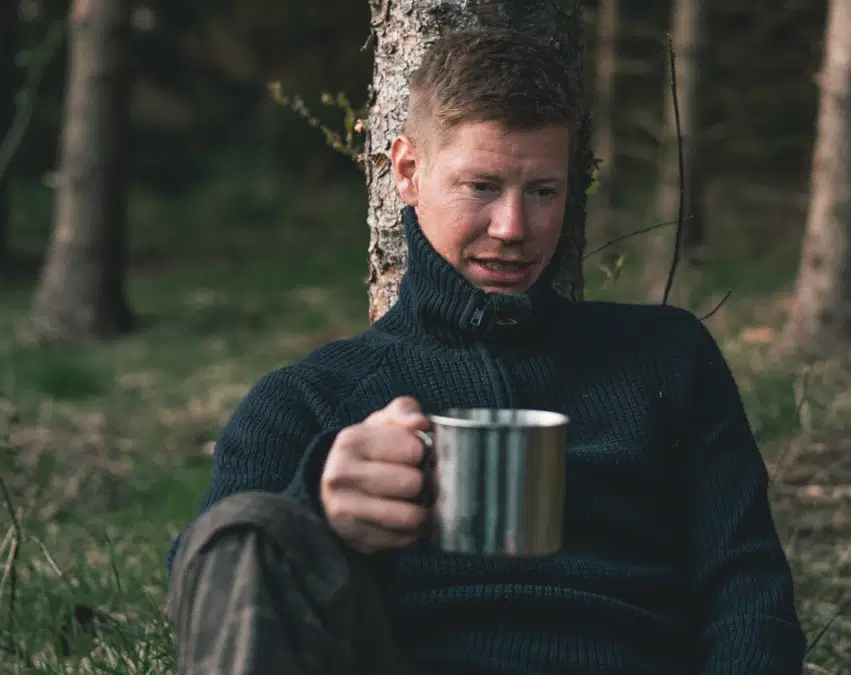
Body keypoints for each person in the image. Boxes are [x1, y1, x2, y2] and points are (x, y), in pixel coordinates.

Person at [165, 27, 808, 675]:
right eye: (481, 186)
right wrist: (319, 512)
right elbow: (208, 580)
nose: (513, 228)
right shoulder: (309, 399)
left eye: (543, 191)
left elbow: (747, 592)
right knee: (254, 525)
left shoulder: (666, 358)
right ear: (408, 172)